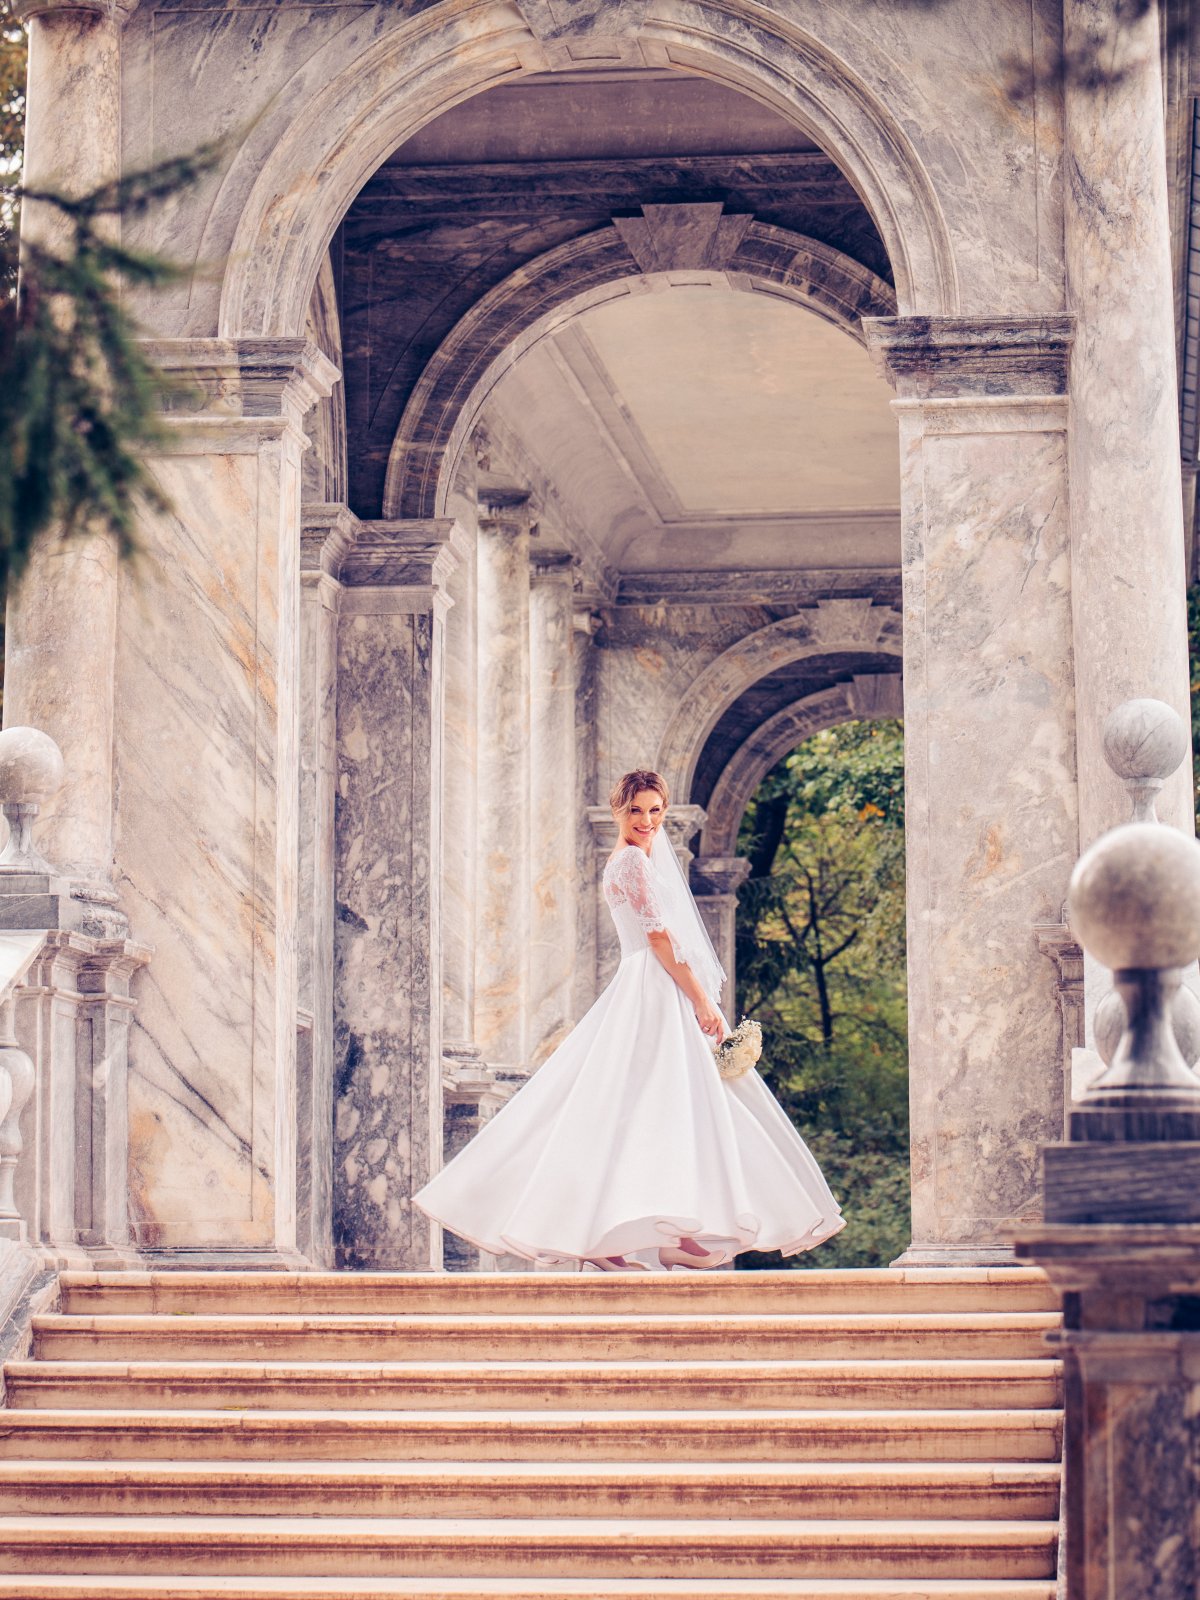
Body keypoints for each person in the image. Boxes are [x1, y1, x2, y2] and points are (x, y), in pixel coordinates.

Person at [413, 769, 843, 1270]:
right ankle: (618, 1240)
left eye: (655, 810)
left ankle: (672, 1233)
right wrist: (702, 1001)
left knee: (663, 1109)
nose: (646, 820)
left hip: (655, 985)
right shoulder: (632, 862)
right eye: (636, 810)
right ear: (618, 810)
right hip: (653, 986)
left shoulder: (634, 860)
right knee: (651, 1107)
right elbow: (658, 939)